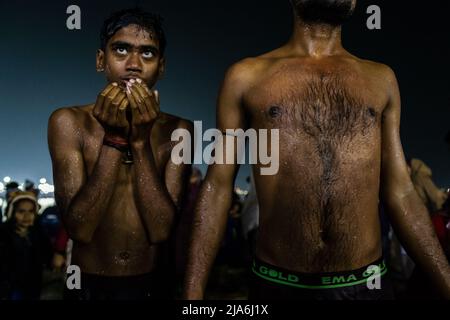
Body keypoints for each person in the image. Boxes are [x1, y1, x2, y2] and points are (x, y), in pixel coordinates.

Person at [184, 0, 450, 300]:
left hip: (366, 284)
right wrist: (192, 294)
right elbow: (218, 185)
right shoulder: (246, 76)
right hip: (277, 284)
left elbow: (401, 191)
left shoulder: (381, 79)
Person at [48, 8, 193, 300]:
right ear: (101, 60)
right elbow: (80, 228)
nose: (134, 65)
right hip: (87, 284)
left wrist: (139, 142)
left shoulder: (179, 130)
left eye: (148, 54)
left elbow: (161, 230)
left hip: (150, 284)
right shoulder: (68, 122)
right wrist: (114, 139)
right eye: (122, 49)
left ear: (161, 67)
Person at [0, 192, 52, 300]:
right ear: (11, 212)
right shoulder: (3, 236)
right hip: (9, 288)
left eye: (31, 211)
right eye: (21, 211)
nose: (27, 216)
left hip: (33, 287)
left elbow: (47, 256)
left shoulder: (40, 235)